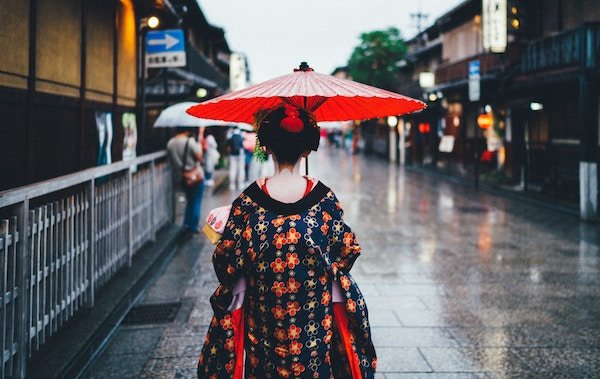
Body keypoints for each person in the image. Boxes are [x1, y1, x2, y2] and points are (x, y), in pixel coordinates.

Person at [197, 105, 376, 378]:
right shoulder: (323, 198)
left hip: (264, 319)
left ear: (266, 147)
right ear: (306, 150)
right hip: (314, 318)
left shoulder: (248, 201)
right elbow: (348, 251)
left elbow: (225, 263)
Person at [166, 127, 205, 234]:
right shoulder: (190, 141)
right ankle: (193, 226)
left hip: (181, 177)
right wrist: (200, 145)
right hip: (195, 176)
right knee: (196, 201)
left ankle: (186, 224)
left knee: (189, 200)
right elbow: (199, 158)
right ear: (187, 130)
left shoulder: (170, 143)